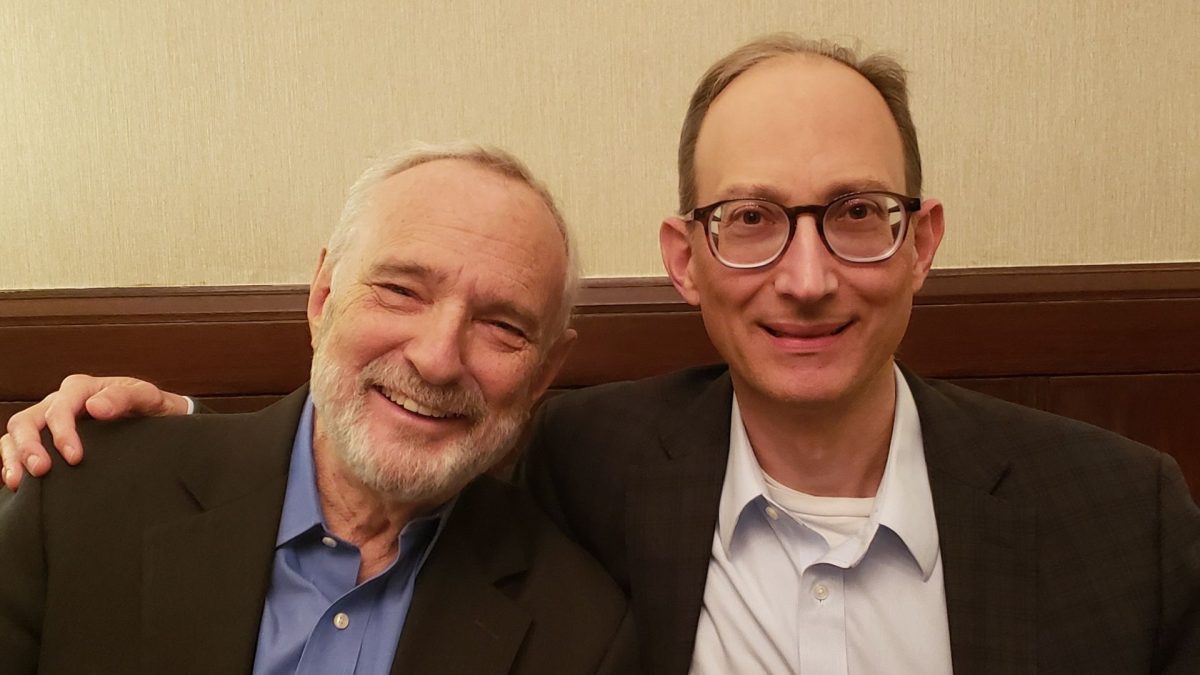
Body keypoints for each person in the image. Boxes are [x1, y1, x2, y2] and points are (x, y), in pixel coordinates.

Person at [5, 34, 1199, 674]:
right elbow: (387, 431)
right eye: (749, 218)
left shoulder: (1120, 518)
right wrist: (150, 436)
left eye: (857, 212)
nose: (805, 274)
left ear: (921, 239)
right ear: (684, 259)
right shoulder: (587, 459)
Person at [0, 144, 636, 674]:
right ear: (323, 296)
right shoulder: (85, 497)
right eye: (400, 290)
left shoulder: (581, 633)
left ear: (544, 373)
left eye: (502, 326)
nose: (438, 360)